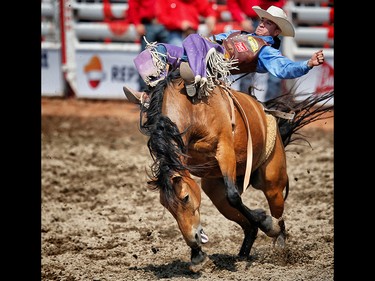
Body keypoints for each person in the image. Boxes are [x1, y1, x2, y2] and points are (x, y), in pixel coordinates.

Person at [123, 5, 324, 105]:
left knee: (194, 38)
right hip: (200, 52)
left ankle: (197, 80)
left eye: (268, 23)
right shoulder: (239, 33)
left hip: (214, 61)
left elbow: (285, 69)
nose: (262, 23)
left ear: (277, 32)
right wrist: (207, 42)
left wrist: (308, 63)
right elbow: (215, 38)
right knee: (155, 51)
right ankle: (153, 97)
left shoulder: (267, 50)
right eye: (262, 20)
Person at [227, 0, 287, 98]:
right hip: (255, 20)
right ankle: (246, 102)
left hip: (271, 19)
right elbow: (232, 2)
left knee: (273, 65)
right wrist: (241, 19)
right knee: (247, 66)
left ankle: (270, 103)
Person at [125, 0, 170, 91]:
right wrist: (137, 23)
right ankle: (145, 93)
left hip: (167, 25)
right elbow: (133, 5)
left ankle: (164, 92)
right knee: (146, 61)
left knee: (168, 60)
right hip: (149, 25)